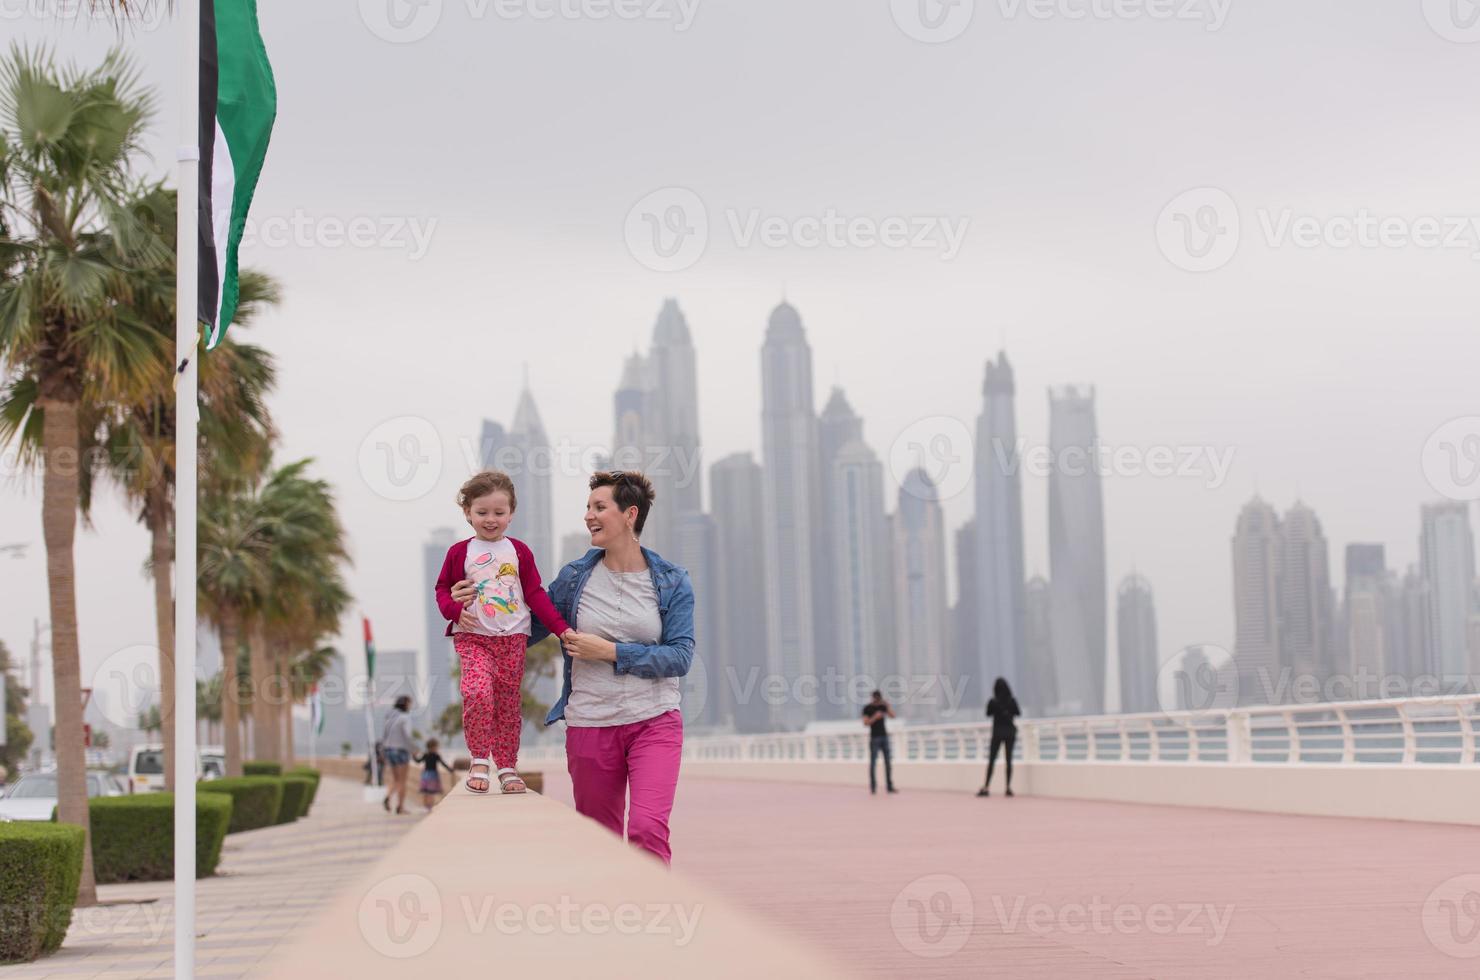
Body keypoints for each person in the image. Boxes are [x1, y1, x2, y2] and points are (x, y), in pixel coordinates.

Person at [457, 471, 694, 865]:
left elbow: (680, 657)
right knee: (598, 845)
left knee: (646, 830)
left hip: (654, 721)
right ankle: (610, 921)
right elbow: (521, 629)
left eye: (599, 507)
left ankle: (652, 921)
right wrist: (469, 607)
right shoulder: (574, 579)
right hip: (590, 725)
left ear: (630, 514)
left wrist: (612, 652)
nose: (588, 516)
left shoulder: (671, 581)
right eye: (588, 507)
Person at [435, 471, 573, 795]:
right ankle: (479, 758)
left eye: (499, 512)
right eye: (482, 512)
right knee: (477, 692)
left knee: (509, 704)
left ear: (511, 514)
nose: (491, 519)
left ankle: (508, 766)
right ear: (467, 512)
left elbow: (535, 593)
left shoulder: (519, 551)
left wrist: (561, 629)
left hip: (513, 637)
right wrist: (455, 611)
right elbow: (442, 590)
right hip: (473, 636)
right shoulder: (459, 552)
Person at [977, 677, 1021, 797]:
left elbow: (988, 714)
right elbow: (1018, 713)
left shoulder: (993, 701)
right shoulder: (1012, 701)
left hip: (997, 733)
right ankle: (1008, 787)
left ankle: (986, 787)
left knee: (992, 760)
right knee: (1009, 760)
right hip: (1010, 733)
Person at [382, 696, 415, 813]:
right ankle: (400, 807)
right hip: (401, 751)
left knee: (395, 779)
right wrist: (413, 749)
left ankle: (388, 796)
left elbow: (385, 736)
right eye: (410, 703)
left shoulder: (390, 718)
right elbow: (407, 735)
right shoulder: (405, 718)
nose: (411, 706)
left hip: (389, 750)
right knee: (402, 781)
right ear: (405, 704)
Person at [862, 690, 897, 794]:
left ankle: (889, 787)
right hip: (874, 738)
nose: (877, 700)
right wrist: (875, 717)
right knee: (873, 763)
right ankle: (873, 787)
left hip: (884, 737)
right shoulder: (867, 708)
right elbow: (865, 723)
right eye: (876, 698)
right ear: (872, 698)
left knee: (888, 762)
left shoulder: (883, 707)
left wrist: (888, 705)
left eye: (879, 698)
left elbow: (893, 716)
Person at [413, 739, 455, 811]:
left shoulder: (425, 755)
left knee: (426, 792)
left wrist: (414, 756)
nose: (437, 748)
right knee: (431, 792)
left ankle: (426, 807)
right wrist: (450, 770)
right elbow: (443, 764)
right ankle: (430, 808)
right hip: (432, 776)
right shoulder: (436, 755)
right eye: (437, 747)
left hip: (425, 775)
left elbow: (418, 761)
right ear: (433, 747)